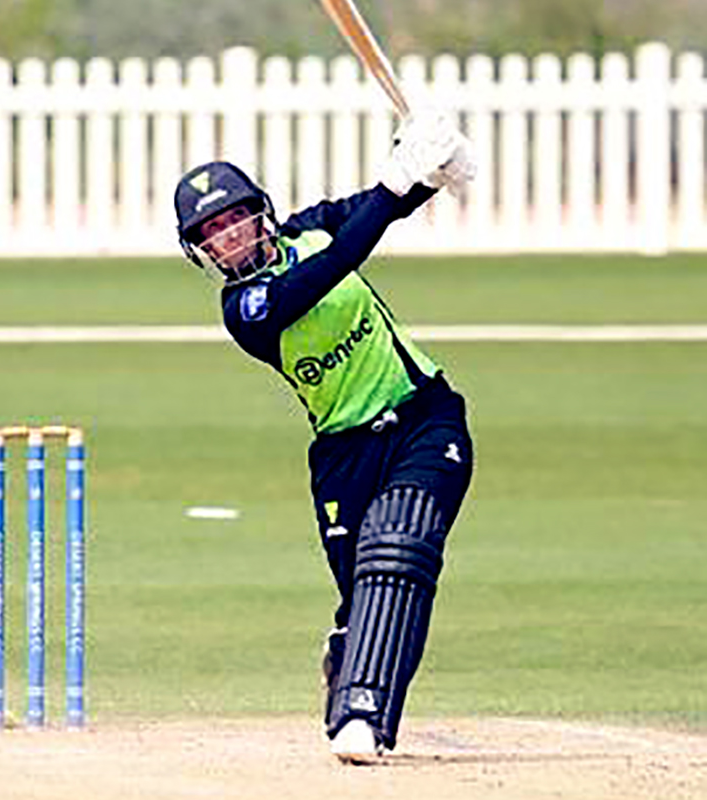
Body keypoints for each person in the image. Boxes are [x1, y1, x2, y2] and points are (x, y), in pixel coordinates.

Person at [173, 113, 476, 763]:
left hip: (423, 417)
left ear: (260, 212)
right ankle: (349, 650)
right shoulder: (246, 310)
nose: (228, 236)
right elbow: (340, 262)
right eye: (211, 232)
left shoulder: (308, 227)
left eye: (234, 218)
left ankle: (363, 714)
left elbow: (378, 210)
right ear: (202, 251)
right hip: (343, 455)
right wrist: (397, 182)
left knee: (401, 551)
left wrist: (432, 170)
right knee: (366, 592)